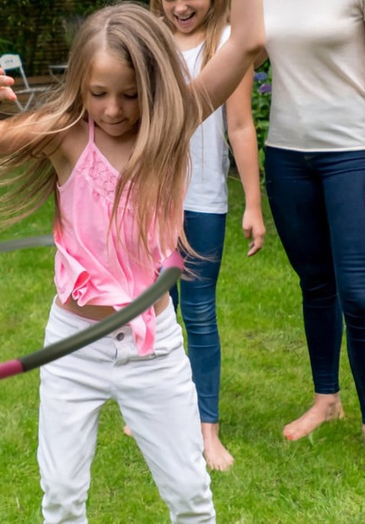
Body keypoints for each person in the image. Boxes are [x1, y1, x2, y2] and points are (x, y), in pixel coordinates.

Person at [0, 1, 264, 520]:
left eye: (130, 95)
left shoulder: (171, 125)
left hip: (153, 348)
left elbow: (248, 40)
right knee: (62, 495)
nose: (114, 109)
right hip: (74, 345)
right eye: (99, 94)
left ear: (153, 88)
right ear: (80, 87)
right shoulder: (64, 136)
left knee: (190, 493)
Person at [259, 0, 365, 480]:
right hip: (286, 158)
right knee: (316, 284)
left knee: (363, 298)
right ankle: (326, 400)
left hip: (355, 154)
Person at [149, 0, 265, 472]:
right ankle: (154, 411)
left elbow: (239, 125)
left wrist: (254, 204)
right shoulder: (147, 41)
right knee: (157, 312)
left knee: (198, 314)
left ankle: (206, 430)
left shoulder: (226, 45)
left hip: (203, 201)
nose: (181, 5)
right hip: (151, 202)